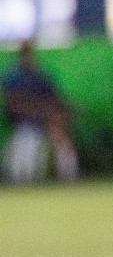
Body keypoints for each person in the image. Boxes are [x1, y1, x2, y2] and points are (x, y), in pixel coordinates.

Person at [2, 40, 79, 183]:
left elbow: (54, 97)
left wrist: (63, 110)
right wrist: (42, 111)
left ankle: (68, 178)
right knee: (24, 149)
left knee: (57, 141)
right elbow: (14, 103)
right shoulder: (14, 75)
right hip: (25, 123)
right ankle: (21, 182)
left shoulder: (39, 75)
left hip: (42, 121)